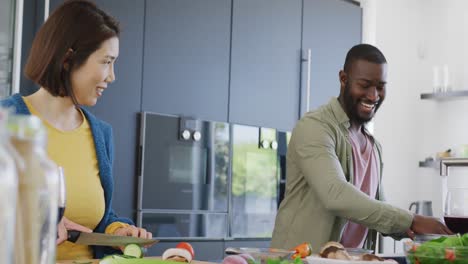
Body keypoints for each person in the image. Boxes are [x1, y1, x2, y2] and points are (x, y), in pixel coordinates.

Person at [1, 0, 151, 260]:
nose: (112, 76)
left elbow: (97, 218)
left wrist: (117, 230)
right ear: (69, 58)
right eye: (106, 62)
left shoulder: (100, 134)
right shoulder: (6, 120)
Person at [271, 44, 452, 251]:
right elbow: (336, 194)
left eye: (380, 86)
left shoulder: (374, 147)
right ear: (343, 79)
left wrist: (432, 233)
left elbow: (378, 212)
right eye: (365, 85)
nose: (374, 95)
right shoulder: (315, 127)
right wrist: (412, 220)